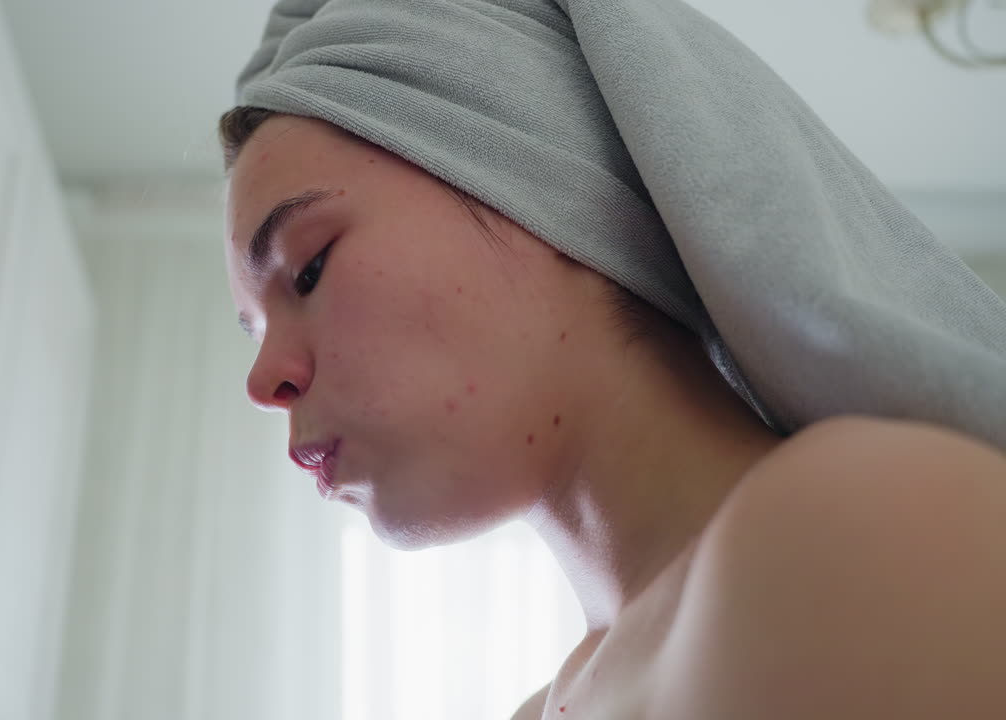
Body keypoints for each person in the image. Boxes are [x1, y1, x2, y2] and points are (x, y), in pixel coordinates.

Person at [219, 1, 1006, 717]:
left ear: (534, 189)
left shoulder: (857, 534)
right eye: (254, 330)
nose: (263, 384)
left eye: (309, 269)